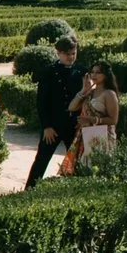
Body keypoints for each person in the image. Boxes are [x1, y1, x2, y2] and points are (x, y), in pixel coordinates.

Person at [25, 33, 83, 188]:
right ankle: (29, 190)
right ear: (58, 53)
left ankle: (76, 189)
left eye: (73, 53)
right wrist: (46, 126)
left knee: (76, 160)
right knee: (42, 159)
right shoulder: (49, 72)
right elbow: (41, 102)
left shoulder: (81, 71)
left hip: (73, 125)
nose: (71, 57)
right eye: (67, 54)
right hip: (53, 126)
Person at [64, 61, 120, 171]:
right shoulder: (90, 92)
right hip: (86, 134)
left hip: (103, 136)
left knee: (99, 167)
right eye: (92, 72)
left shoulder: (109, 94)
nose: (94, 75)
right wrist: (83, 90)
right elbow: (72, 107)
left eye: (98, 72)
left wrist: (92, 119)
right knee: (83, 167)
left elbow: (113, 120)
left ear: (106, 75)